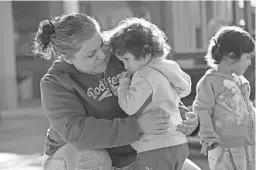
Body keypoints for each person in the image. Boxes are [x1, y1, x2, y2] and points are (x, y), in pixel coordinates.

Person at [33, 13, 200, 170]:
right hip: (73, 156)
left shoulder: (119, 52)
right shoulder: (55, 83)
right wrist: (138, 126)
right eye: (91, 54)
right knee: (94, 159)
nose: (102, 55)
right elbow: (78, 132)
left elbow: (154, 84)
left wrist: (184, 118)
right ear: (67, 58)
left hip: (132, 152)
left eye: (101, 45)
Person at [107, 17, 191, 170]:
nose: (125, 66)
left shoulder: (144, 75)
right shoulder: (170, 68)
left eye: (126, 59)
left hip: (156, 146)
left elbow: (130, 107)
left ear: (145, 51)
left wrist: (124, 86)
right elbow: (185, 89)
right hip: (178, 142)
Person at [193, 26, 255, 170]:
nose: (250, 62)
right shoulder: (210, 81)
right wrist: (208, 137)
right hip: (224, 148)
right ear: (232, 56)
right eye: (247, 58)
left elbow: (246, 107)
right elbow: (202, 110)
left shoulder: (240, 80)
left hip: (248, 145)